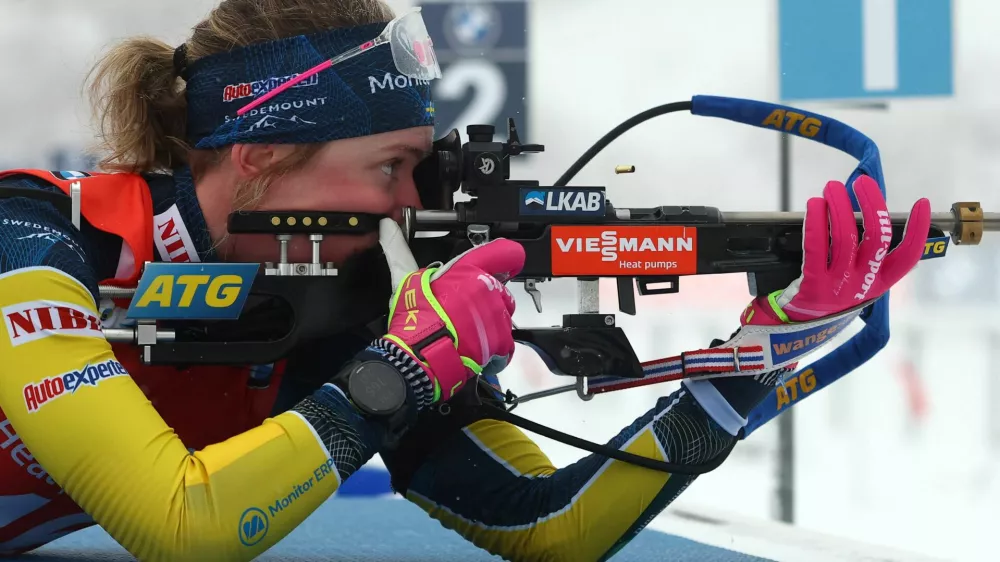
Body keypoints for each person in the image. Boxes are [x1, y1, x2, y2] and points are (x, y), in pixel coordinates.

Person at [0, 0, 932, 561]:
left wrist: (749, 363)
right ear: (262, 153)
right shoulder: (30, 240)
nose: (414, 202)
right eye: (390, 167)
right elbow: (182, 526)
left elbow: (548, 527)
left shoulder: (337, 309)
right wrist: (398, 374)